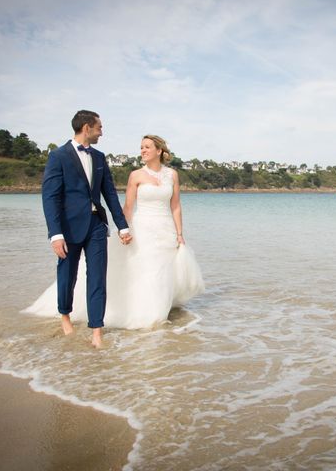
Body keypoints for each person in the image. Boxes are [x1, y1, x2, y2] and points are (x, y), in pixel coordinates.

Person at [25, 134, 204, 331]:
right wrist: (123, 229)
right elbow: (127, 207)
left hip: (165, 230)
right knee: (147, 271)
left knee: (164, 272)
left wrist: (179, 233)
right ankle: (149, 316)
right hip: (142, 228)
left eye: (147, 147)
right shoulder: (136, 175)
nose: (142, 151)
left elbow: (176, 206)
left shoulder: (172, 175)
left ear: (159, 150)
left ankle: (161, 310)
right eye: (141, 147)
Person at [40, 110, 131, 348]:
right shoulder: (58, 156)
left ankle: (97, 332)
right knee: (67, 275)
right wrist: (55, 234)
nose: (102, 131)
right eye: (99, 127)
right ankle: (65, 316)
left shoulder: (100, 158)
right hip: (68, 228)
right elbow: (50, 197)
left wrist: (122, 226)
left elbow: (110, 195)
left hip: (96, 226)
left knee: (98, 278)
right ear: (86, 128)